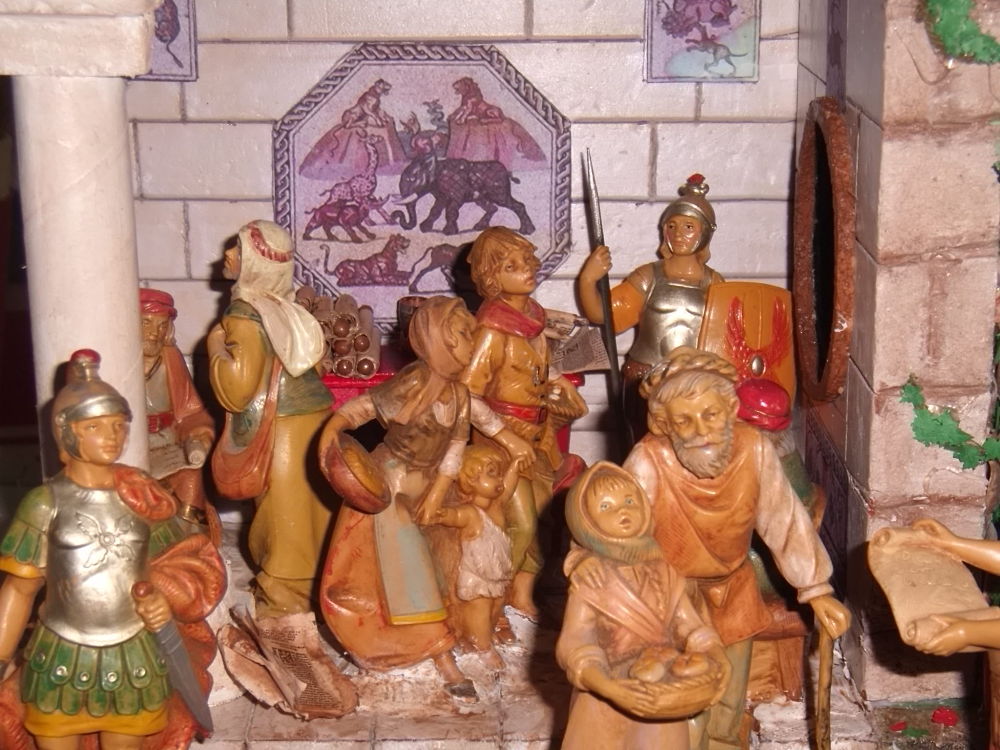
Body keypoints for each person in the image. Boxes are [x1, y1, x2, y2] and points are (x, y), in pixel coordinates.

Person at [602, 347, 849, 749]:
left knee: (729, 694)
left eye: (711, 414)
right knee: (686, 698)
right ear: (663, 424)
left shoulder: (754, 448)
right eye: (683, 420)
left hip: (734, 589)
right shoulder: (648, 460)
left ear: (731, 409)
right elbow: (620, 537)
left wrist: (816, 589)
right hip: (673, 598)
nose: (700, 430)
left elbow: (783, 519)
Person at [0, 349, 225, 750]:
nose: (112, 436)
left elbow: (181, 559)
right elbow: (19, 588)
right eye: (95, 426)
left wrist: (164, 596)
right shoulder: (45, 503)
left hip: (132, 654)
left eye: (118, 425)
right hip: (60, 655)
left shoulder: (140, 494)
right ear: (67, 433)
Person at [318, 296, 531, 701]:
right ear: (440, 341)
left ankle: (467, 632)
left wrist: (438, 493)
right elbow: (365, 407)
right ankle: (438, 652)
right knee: (411, 567)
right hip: (393, 486)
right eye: (464, 334)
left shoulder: (460, 395)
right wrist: (333, 428)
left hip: (433, 484)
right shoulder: (415, 381)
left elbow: (456, 447)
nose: (472, 341)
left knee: (453, 560)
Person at [207, 219, 332, 618]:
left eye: (238, 250)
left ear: (255, 264)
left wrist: (214, 346)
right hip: (312, 419)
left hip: (283, 428)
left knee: (283, 519)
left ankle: (282, 604)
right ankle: (315, 588)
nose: (228, 255)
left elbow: (237, 388)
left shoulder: (244, 316)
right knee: (310, 512)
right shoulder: (287, 309)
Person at [557, 461, 730, 749]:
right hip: (605, 696)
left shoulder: (666, 571)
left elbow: (691, 626)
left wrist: (716, 654)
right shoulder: (591, 579)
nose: (622, 511)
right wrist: (608, 687)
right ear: (585, 520)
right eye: (605, 506)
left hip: (660, 693)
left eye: (629, 501)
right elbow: (575, 644)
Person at [463, 226, 588, 619]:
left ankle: (522, 592)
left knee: (544, 514)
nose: (526, 270)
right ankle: (491, 597)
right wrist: (506, 437)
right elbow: (468, 394)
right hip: (502, 442)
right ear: (491, 278)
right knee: (518, 520)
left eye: (527, 261)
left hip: (537, 435)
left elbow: (538, 367)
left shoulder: (532, 317)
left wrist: (558, 383)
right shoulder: (491, 330)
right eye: (511, 266)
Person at [577, 174, 723, 443]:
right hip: (645, 378)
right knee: (644, 445)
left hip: (694, 384)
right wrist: (588, 279)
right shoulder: (648, 277)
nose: (679, 234)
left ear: (705, 232)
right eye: (672, 226)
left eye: (689, 227)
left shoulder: (715, 284)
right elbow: (603, 314)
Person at [423, 444, 523, 670]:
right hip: (476, 577)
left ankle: (480, 637)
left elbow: (507, 488)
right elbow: (454, 516)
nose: (499, 480)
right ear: (470, 480)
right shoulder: (470, 513)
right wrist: (441, 514)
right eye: (491, 474)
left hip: (497, 576)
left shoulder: (496, 507)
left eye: (499, 473)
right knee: (479, 612)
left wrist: (515, 467)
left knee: (495, 609)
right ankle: (483, 647)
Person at [140, 287, 218, 542]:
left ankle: (190, 542)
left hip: (167, 442)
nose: (155, 332)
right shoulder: (118, 361)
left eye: (162, 325)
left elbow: (190, 411)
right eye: (146, 323)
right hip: (131, 446)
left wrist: (199, 435)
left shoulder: (170, 358)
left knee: (190, 475)